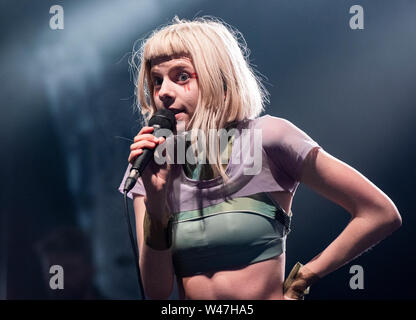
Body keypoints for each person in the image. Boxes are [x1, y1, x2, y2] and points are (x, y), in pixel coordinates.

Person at [119, 16, 402, 300]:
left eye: (182, 76)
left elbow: (378, 213)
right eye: (157, 81)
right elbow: (156, 292)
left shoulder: (269, 137)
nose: (164, 92)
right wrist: (157, 202)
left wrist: (302, 279)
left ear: (219, 78)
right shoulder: (153, 163)